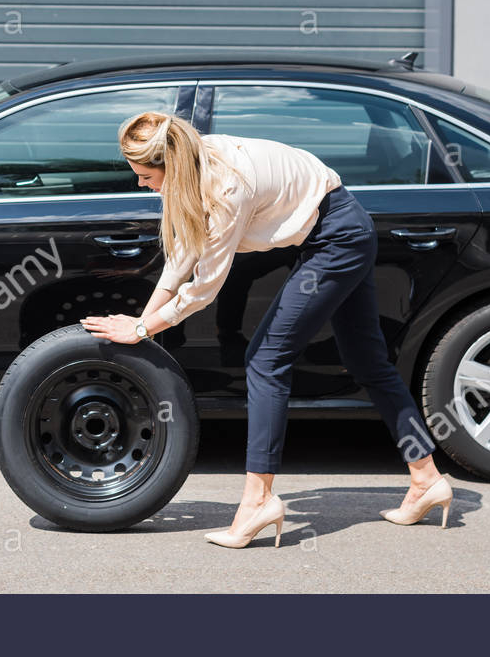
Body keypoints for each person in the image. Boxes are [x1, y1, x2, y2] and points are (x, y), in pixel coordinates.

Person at [80, 111, 454, 548]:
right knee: (368, 362)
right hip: (341, 230)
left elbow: (203, 288)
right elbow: (181, 256)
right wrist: (143, 324)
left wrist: (142, 328)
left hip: (338, 238)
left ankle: (258, 501)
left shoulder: (225, 188)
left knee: (265, 361)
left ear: (171, 165)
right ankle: (426, 477)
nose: (141, 184)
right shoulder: (197, 159)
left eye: (145, 175)